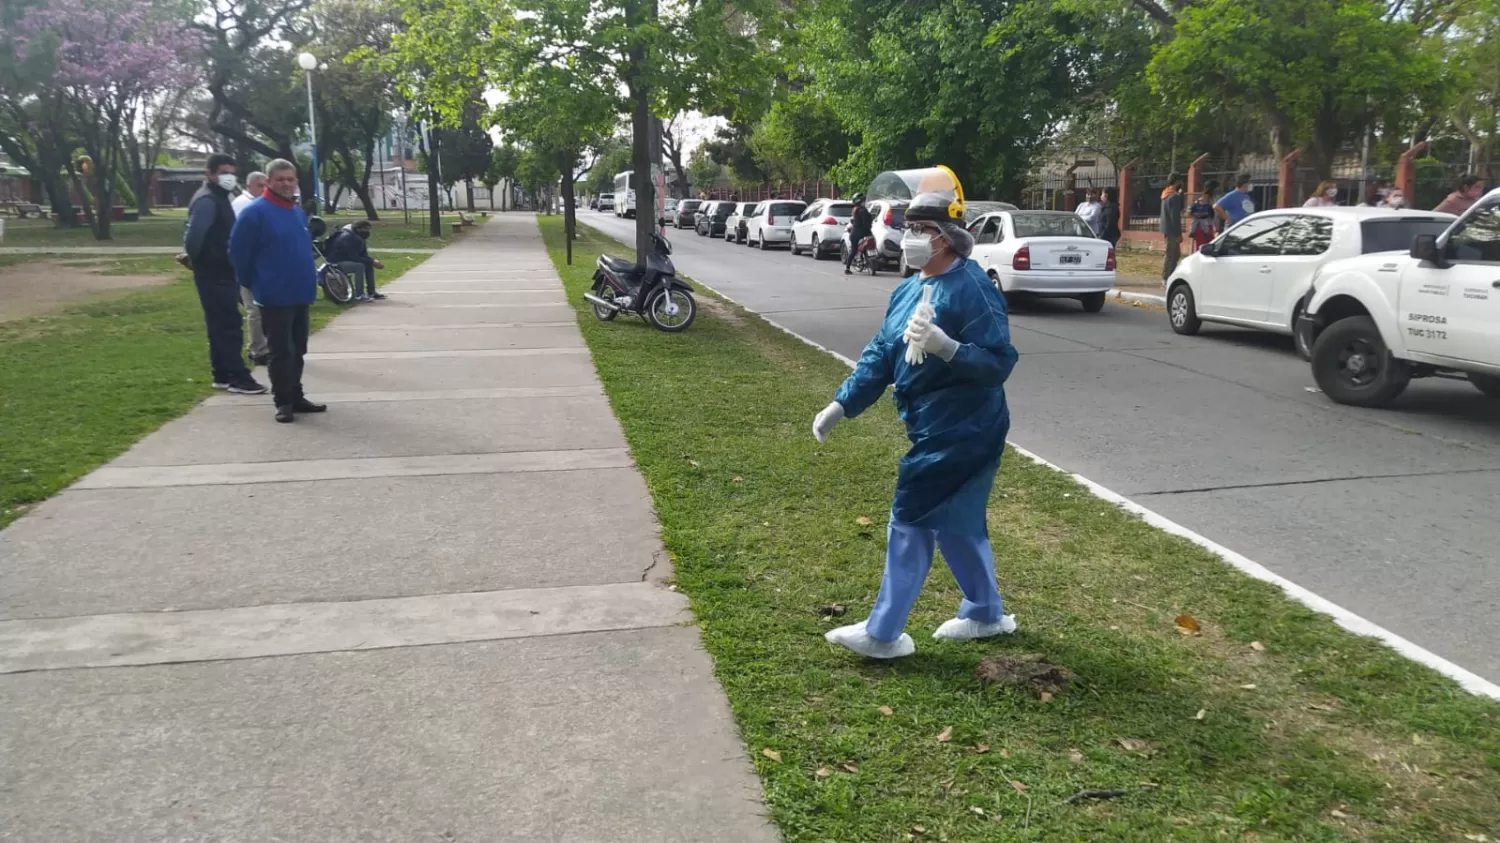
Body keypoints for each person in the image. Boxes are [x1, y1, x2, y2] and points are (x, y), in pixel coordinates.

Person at [812, 190, 1019, 659]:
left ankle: (883, 635)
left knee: (910, 516)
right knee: (957, 523)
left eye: (920, 230)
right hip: (928, 421)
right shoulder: (906, 290)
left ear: (947, 238)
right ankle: (986, 613)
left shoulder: (973, 288)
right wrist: (841, 405)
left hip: (965, 426)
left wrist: (950, 348)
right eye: (908, 228)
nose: (909, 238)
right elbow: (881, 355)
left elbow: (998, 363)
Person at [229, 159, 325, 423]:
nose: (286, 184)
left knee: (298, 349)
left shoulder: (295, 211)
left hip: (300, 292)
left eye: (290, 179)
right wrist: (252, 282)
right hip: (274, 294)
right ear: (268, 182)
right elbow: (238, 252)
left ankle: (296, 394)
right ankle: (283, 401)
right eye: (280, 179)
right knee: (281, 351)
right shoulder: (255, 212)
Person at [183, 153, 266, 395]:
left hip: (219, 270)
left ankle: (221, 374)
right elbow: (194, 237)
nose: (228, 177)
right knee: (228, 325)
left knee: (219, 325)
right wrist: (198, 262)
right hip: (214, 272)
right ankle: (237, 376)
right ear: (209, 174)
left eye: (231, 172)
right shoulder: (208, 200)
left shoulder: (219, 197)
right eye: (223, 172)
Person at [231, 171, 271, 366]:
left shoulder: (260, 205)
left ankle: (263, 346)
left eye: (266, 185)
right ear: (250, 186)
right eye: (260, 186)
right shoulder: (244, 205)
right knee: (254, 310)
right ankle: (258, 350)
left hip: (263, 267)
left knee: (263, 310)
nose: (265, 190)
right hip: (250, 267)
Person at [326, 219, 387, 301]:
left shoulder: (359, 237)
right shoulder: (349, 237)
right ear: (359, 229)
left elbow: (363, 255)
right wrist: (372, 261)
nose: (368, 231)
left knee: (368, 264)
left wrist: (372, 261)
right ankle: (359, 295)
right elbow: (353, 257)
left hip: (346, 259)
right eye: (366, 229)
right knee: (359, 266)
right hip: (336, 263)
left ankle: (371, 292)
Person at [1160, 174, 1185, 281]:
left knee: (1173, 254)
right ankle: (1167, 277)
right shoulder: (1174, 196)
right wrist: (1178, 234)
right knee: (1172, 255)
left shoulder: (1165, 194)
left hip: (1166, 228)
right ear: (1176, 181)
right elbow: (1175, 216)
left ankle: (1169, 275)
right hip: (1172, 230)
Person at [844, 193, 873, 275]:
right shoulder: (863, 211)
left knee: (854, 250)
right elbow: (866, 223)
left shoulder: (855, 210)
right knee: (865, 245)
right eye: (864, 201)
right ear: (861, 202)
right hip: (860, 233)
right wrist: (869, 230)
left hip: (854, 234)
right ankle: (861, 259)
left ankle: (847, 267)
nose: (865, 202)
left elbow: (853, 221)